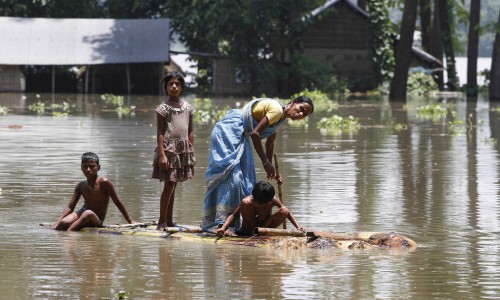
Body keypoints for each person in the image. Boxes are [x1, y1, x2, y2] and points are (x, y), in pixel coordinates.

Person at [201, 96, 314, 230]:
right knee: (234, 178)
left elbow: (270, 144)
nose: (301, 114)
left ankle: (239, 225)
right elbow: (255, 134)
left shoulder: (280, 119)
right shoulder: (277, 111)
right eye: (301, 109)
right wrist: (265, 162)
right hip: (230, 130)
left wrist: (271, 168)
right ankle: (222, 223)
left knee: (247, 180)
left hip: (243, 134)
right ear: (293, 103)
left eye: (304, 114)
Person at [152, 71, 196, 230]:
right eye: (171, 84)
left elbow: (190, 130)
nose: (174, 86)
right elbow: (159, 132)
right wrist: (162, 155)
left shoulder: (188, 108)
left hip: (183, 150)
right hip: (169, 150)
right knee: (169, 184)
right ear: (166, 87)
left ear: (182, 87)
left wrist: (190, 151)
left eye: (177, 84)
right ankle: (161, 221)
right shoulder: (163, 108)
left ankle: (169, 220)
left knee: (174, 184)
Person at [52, 152, 135, 231]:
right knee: (63, 222)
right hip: (81, 213)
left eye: (92, 166)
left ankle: (68, 235)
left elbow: (117, 201)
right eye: (85, 167)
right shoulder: (80, 185)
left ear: (98, 167)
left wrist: (130, 221)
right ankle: (63, 234)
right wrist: (57, 222)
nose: (88, 169)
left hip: (96, 218)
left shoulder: (104, 182)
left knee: (88, 213)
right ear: (81, 168)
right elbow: (70, 207)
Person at [216, 181, 303, 236]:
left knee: (285, 210)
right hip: (249, 230)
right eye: (256, 202)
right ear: (253, 197)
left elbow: (288, 213)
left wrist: (299, 227)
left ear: (268, 201)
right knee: (245, 203)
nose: (257, 205)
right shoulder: (247, 201)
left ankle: (266, 233)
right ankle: (252, 234)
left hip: (266, 227)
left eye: (260, 204)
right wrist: (223, 228)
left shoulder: (273, 200)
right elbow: (233, 215)